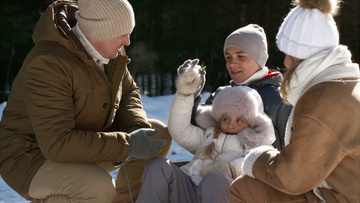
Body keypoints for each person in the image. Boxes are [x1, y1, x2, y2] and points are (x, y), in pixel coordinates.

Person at [0, 0, 171, 202]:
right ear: (98, 31)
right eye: (121, 34)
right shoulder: (48, 63)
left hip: (83, 142)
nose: (127, 42)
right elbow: (58, 143)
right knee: (97, 188)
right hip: (31, 157)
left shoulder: (111, 52)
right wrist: (128, 145)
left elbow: (128, 92)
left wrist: (135, 127)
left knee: (157, 135)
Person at [229, 0, 360, 202]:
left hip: (336, 197)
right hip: (342, 190)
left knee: (244, 188)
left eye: (288, 53)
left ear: (301, 56)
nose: (285, 62)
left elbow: (292, 178)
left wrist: (256, 159)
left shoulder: (322, 102)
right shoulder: (346, 84)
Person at [136, 62, 276, 203]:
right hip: (189, 190)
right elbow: (180, 130)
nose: (230, 125)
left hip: (223, 193)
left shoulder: (255, 143)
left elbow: (264, 164)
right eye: (225, 118)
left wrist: (230, 168)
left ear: (251, 123)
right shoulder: (209, 134)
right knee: (158, 166)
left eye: (239, 120)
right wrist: (185, 94)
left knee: (216, 179)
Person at [192, 24, 292, 151]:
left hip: (261, 169)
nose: (232, 63)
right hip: (216, 168)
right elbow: (196, 133)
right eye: (228, 57)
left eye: (241, 56)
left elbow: (291, 148)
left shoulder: (280, 98)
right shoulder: (223, 95)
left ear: (258, 59)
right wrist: (190, 95)